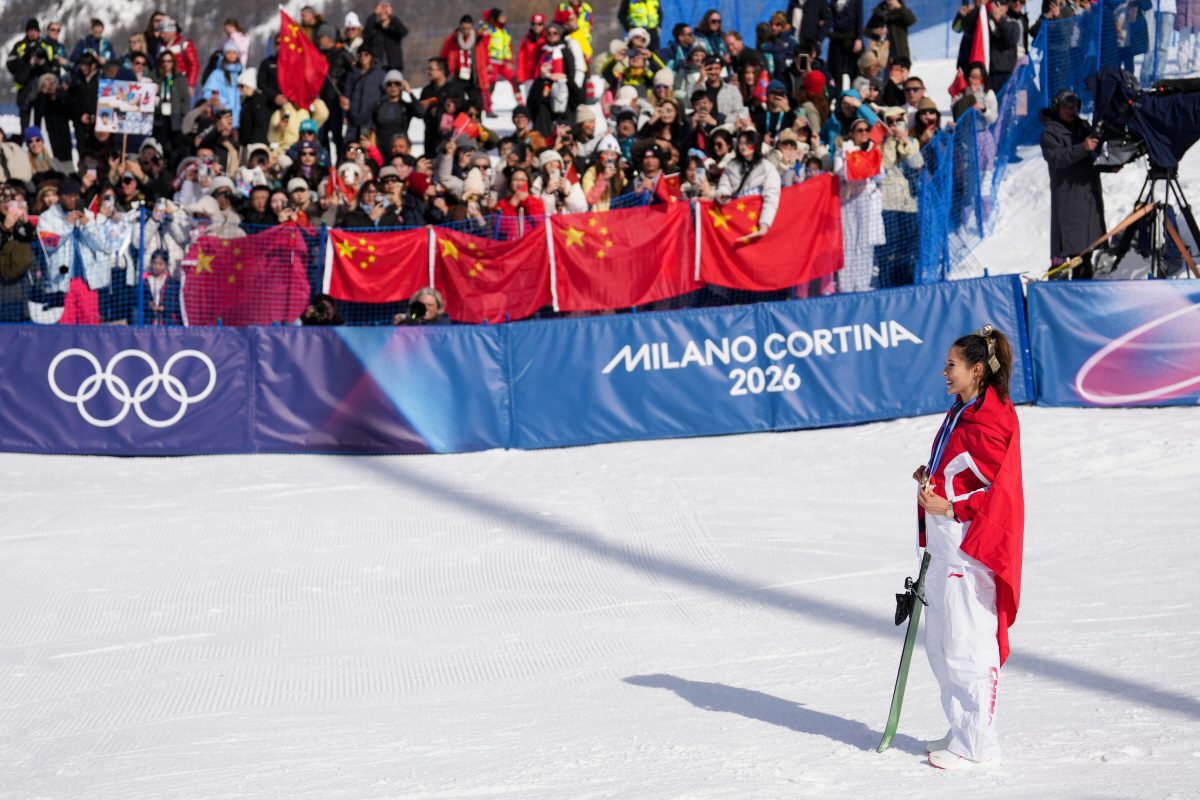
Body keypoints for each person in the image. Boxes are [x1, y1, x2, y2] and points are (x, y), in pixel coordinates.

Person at [915, 325, 1023, 771]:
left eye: (951, 365)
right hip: (946, 548)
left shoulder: (994, 417)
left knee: (967, 644)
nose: (944, 372)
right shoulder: (963, 409)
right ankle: (962, 726)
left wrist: (951, 505)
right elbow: (964, 469)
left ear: (977, 370)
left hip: (970, 549)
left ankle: (979, 743)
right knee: (940, 643)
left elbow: (1001, 494)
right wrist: (932, 478)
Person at [1040, 89, 1105, 279]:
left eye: (1074, 107)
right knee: (1070, 254)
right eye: (1067, 108)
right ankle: (1064, 293)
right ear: (1057, 108)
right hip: (1069, 199)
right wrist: (1082, 148)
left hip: (1088, 195)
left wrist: (1108, 165)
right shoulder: (1050, 133)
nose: (1072, 111)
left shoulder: (1083, 127)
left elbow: (1094, 153)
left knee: (1086, 252)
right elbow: (1056, 158)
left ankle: (1083, 293)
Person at [834, 116, 885, 291]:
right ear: (852, 134)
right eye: (859, 131)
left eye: (866, 130)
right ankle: (846, 286)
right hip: (848, 198)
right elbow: (838, 172)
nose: (863, 133)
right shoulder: (844, 150)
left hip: (866, 198)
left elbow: (881, 175)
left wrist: (872, 163)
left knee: (865, 241)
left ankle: (863, 284)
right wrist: (848, 165)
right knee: (848, 242)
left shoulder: (873, 150)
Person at [716, 129, 782, 232]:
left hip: (755, 217)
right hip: (736, 216)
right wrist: (723, 194)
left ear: (755, 145)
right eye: (741, 143)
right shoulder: (730, 166)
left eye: (748, 143)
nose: (744, 146)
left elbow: (772, 195)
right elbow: (724, 185)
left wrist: (764, 223)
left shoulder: (767, 167)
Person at [7, 19, 56, 130]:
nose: (33, 33)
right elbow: (12, 66)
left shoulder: (47, 46)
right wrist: (27, 62)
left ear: (39, 32)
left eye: (35, 30)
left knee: (41, 130)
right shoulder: (20, 46)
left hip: (43, 93)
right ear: (27, 32)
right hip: (25, 93)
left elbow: (54, 71)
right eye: (30, 30)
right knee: (26, 130)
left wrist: (41, 62)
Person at [200, 43, 244, 125]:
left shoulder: (240, 73)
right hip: (222, 114)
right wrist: (223, 103)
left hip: (239, 116)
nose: (231, 55)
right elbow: (207, 92)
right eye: (229, 52)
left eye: (234, 52)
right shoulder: (217, 73)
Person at [363, 1, 409, 72]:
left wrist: (391, 16)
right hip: (377, 66)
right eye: (381, 8)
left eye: (385, 8)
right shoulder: (375, 28)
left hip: (395, 66)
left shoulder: (394, 27)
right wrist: (374, 14)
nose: (383, 11)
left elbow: (404, 32)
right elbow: (366, 34)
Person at [156, 18, 200, 91]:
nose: (162, 35)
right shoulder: (160, 46)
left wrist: (190, 85)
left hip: (182, 83)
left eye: (164, 33)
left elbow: (194, 65)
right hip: (165, 83)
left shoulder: (184, 44)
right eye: (161, 33)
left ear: (172, 31)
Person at [828, 0, 865, 89]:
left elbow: (860, 18)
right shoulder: (834, 1)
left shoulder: (856, 1)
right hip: (837, 37)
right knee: (837, 71)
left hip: (852, 37)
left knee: (854, 70)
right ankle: (838, 97)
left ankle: (853, 95)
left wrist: (859, 38)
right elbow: (830, 16)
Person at [141, 248, 182, 325]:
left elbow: (176, 303)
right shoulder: (146, 281)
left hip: (167, 322)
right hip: (149, 321)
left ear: (166, 265)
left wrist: (164, 307)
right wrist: (149, 304)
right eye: (154, 263)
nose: (157, 266)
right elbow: (139, 299)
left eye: (160, 264)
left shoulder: (171, 283)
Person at [517, 14, 548, 100]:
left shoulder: (548, 37)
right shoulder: (526, 39)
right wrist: (520, 76)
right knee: (530, 99)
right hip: (529, 75)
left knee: (545, 97)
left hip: (545, 75)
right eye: (534, 24)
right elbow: (521, 58)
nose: (536, 26)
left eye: (539, 24)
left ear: (543, 25)